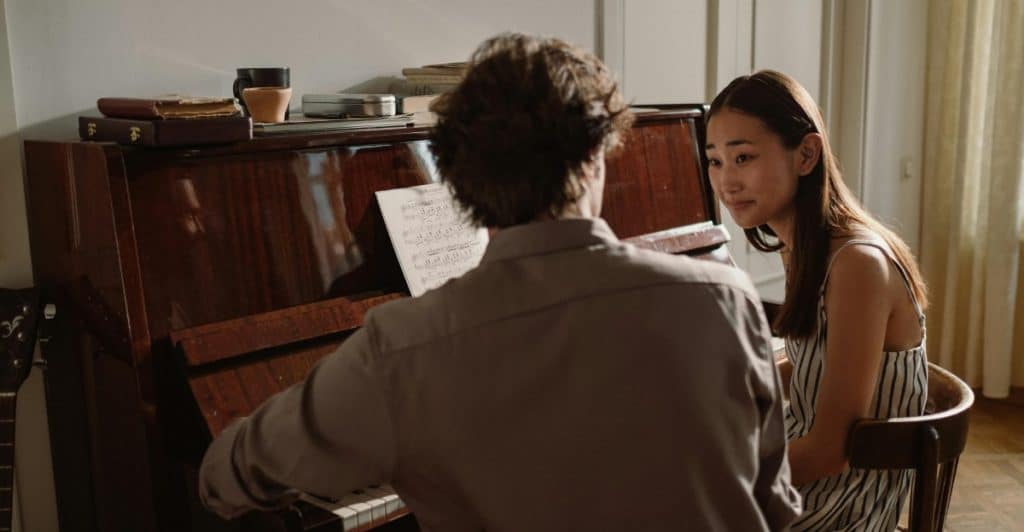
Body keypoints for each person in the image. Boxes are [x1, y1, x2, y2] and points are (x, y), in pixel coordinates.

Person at [199, 34, 800, 531]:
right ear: (595, 156)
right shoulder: (724, 300)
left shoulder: (401, 347)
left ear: (459, 183)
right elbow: (773, 507)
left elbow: (225, 477)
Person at [705, 70, 929, 531]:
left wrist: (723, 483)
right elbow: (813, 365)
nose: (726, 181)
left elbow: (831, 452)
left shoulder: (856, 263)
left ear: (806, 154)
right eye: (714, 161)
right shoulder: (807, 247)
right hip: (809, 475)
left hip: (842, 502)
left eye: (743, 157)